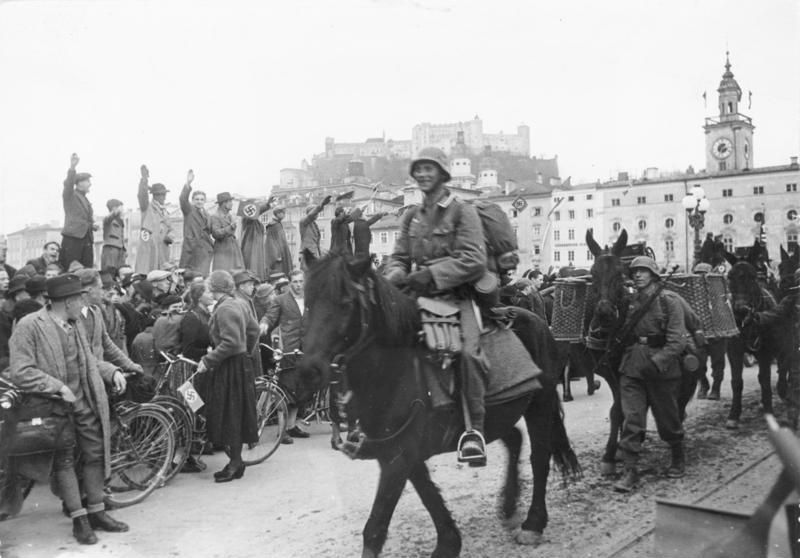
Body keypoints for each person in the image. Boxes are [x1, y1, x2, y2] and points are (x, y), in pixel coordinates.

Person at [383, 147, 489, 465]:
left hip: (457, 297)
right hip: (418, 299)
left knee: (468, 355)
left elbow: (474, 260)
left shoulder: (461, 211)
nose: (423, 174)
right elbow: (399, 257)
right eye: (419, 169)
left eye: (430, 169)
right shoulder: (410, 216)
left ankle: (474, 432)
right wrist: (396, 277)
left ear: (443, 174)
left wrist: (430, 274)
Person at [8, 274, 129, 545]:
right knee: (63, 462)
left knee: (95, 453)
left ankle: (97, 511)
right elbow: (21, 371)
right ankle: (79, 519)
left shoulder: (75, 324)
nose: (83, 302)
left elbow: (90, 360)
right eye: (79, 298)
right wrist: (56, 386)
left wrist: (112, 371)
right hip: (54, 407)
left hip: (84, 402)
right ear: (67, 301)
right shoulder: (29, 326)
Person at [613, 256, 688, 492]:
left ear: (653, 274)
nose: (637, 275)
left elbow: (677, 341)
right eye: (634, 271)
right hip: (633, 365)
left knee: (668, 419)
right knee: (632, 418)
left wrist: (657, 362)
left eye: (643, 271)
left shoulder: (670, 300)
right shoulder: (630, 301)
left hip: (661, 369)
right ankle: (630, 470)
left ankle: (677, 455)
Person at [196, 270, 259, 482]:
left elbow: (231, 343)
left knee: (229, 415)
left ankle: (234, 463)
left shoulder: (225, 308)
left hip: (230, 366)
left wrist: (208, 360)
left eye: (209, 286)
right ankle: (236, 461)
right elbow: (254, 330)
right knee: (237, 414)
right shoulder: (240, 304)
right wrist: (247, 352)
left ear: (215, 288)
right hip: (240, 365)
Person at [264, 269, 309, 442]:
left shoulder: (310, 300)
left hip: (305, 350)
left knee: (301, 390)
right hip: (288, 351)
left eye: (300, 281)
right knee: (285, 390)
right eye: (295, 282)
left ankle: (292, 426)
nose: (298, 285)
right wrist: (264, 324)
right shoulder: (280, 300)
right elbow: (270, 317)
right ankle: (282, 430)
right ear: (290, 283)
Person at [751, 268, 800, 427]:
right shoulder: (790, 301)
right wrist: (757, 317)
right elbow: (775, 314)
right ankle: (792, 418)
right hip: (796, 348)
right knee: (795, 380)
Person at [75, 269, 142, 376]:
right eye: (101, 288)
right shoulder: (73, 317)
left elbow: (107, 344)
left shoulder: (95, 312)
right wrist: (111, 372)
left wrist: (130, 365)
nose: (106, 292)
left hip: (99, 376)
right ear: (89, 290)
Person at [692, 262, 728, 400]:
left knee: (718, 363)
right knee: (697, 363)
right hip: (699, 334)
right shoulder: (692, 296)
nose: (700, 278)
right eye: (697, 275)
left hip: (717, 334)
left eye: (703, 275)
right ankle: (704, 384)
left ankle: (716, 388)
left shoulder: (719, 292)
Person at [135, 165, 174, 274]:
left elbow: (171, 229)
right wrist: (144, 180)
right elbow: (142, 196)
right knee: (148, 275)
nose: (163, 197)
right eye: (160, 195)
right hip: (149, 250)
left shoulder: (165, 212)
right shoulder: (147, 208)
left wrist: (170, 236)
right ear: (154, 196)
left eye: (164, 194)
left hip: (163, 251)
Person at [60, 153, 96, 269]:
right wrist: (72, 168)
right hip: (73, 239)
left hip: (86, 240)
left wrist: (92, 226)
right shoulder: (70, 195)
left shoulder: (85, 199)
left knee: (87, 270)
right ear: (79, 183)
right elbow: (69, 185)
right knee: (72, 269)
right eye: (88, 181)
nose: (90, 184)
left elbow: (84, 219)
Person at [178, 170, 214, 275]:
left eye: (202, 199)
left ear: (205, 201)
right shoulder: (189, 210)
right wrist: (188, 183)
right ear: (193, 200)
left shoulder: (208, 215)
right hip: (191, 251)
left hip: (205, 252)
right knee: (188, 277)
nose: (199, 201)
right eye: (197, 199)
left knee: (203, 278)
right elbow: (183, 199)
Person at [240, 196, 275, 281]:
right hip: (250, 249)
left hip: (256, 249)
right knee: (252, 269)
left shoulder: (255, 221)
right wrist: (267, 205)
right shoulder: (247, 218)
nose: (257, 207)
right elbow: (256, 212)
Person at [210, 192, 244, 272]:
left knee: (236, 272)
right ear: (224, 204)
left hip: (232, 247)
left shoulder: (229, 215)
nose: (232, 204)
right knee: (224, 272)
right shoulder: (215, 216)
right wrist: (230, 227)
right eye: (230, 202)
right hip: (223, 249)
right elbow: (216, 233)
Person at [299, 195, 331, 270]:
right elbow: (311, 215)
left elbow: (316, 242)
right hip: (308, 254)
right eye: (315, 212)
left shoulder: (313, 224)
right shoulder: (304, 222)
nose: (317, 214)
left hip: (315, 253)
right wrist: (321, 205)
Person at [265, 205, 293, 277]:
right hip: (278, 254)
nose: (284, 215)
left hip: (283, 251)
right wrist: (276, 255)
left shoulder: (278, 224)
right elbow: (270, 241)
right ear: (277, 213)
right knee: (279, 272)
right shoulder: (273, 225)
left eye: (284, 213)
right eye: (282, 212)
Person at [101, 199, 127, 270]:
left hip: (120, 250)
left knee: (121, 272)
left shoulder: (120, 221)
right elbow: (109, 217)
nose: (123, 210)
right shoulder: (108, 220)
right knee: (110, 272)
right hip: (111, 249)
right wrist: (115, 212)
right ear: (114, 208)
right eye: (121, 208)